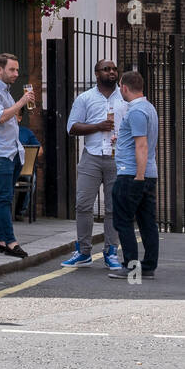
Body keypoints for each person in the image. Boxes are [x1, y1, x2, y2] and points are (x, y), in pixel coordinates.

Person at [61, 59, 125, 268]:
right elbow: (72, 127)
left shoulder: (125, 97)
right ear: (97, 74)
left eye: (114, 69)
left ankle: (111, 252)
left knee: (114, 207)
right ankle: (83, 251)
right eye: (107, 69)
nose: (112, 72)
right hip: (92, 156)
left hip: (117, 157)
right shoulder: (85, 98)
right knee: (83, 204)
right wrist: (98, 126)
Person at [0, 52, 34, 257]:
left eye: (17, 69)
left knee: (7, 198)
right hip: (0, 152)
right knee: (4, 198)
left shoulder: (6, 92)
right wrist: (21, 102)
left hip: (13, 151)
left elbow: (10, 117)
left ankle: (0, 241)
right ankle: (10, 242)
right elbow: (0, 117)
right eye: (12, 69)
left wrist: (18, 105)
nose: (16, 73)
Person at [108, 70, 158, 280]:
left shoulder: (136, 111)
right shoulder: (149, 108)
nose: (120, 90)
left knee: (123, 221)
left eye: (120, 87)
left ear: (125, 87)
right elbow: (139, 141)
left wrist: (138, 176)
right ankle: (147, 266)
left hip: (132, 174)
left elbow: (142, 145)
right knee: (147, 222)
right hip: (148, 173)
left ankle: (131, 266)